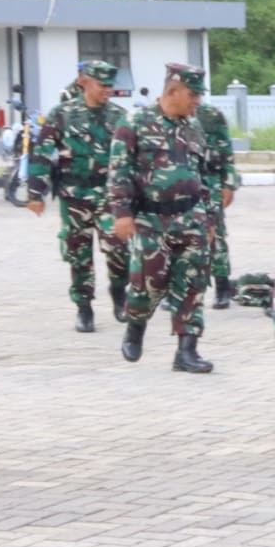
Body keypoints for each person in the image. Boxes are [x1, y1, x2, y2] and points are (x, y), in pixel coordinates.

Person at [109, 62, 228, 373]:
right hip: (151, 218)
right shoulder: (133, 123)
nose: (197, 101)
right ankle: (135, 326)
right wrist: (122, 214)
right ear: (172, 91)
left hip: (192, 216)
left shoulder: (195, 127)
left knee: (193, 283)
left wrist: (211, 218)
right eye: (192, 94)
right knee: (148, 284)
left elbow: (207, 176)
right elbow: (119, 172)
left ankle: (187, 350)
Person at [22, 58, 131, 333]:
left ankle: (119, 293)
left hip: (108, 196)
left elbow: (132, 158)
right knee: (78, 254)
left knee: (118, 249)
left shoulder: (119, 116)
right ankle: (84, 307)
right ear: (85, 82)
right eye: (102, 84)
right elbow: (42, 152)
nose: (107, 89)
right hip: (74, 195)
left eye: (110, 85)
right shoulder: (62, 114)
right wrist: (35, 191)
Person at [195, 90, 241, 308]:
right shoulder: (161, 118)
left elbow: (226, 151)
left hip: (209, 182)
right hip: (176, 184)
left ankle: (222, 287)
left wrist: (228, 183)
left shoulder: (211, 116)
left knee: (217, 236)